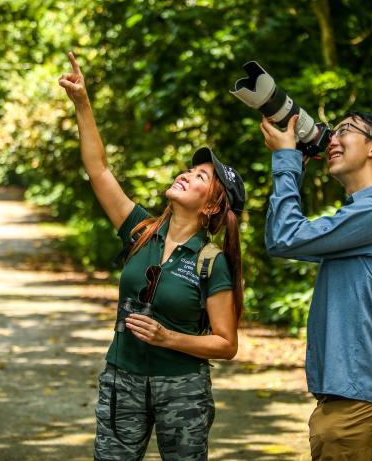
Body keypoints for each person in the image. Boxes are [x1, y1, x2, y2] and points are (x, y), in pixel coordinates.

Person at [59, 52, 245, 461]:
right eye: (189, 170)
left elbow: (226, 343)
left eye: (200, 177)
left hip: (182, 389)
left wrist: (168, 338)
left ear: (212, 206)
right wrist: (82, 103)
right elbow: (99, 170)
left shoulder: (211, 261)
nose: (185, 174)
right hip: (122, 380)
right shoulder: (141, 231)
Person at [260, 111, 372, 460]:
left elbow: (284, 238)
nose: (333, 140)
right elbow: (283, 238)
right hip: (352, 390)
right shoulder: (367, 213)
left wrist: (285, 161)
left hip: (353, 393)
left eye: (345, 130)